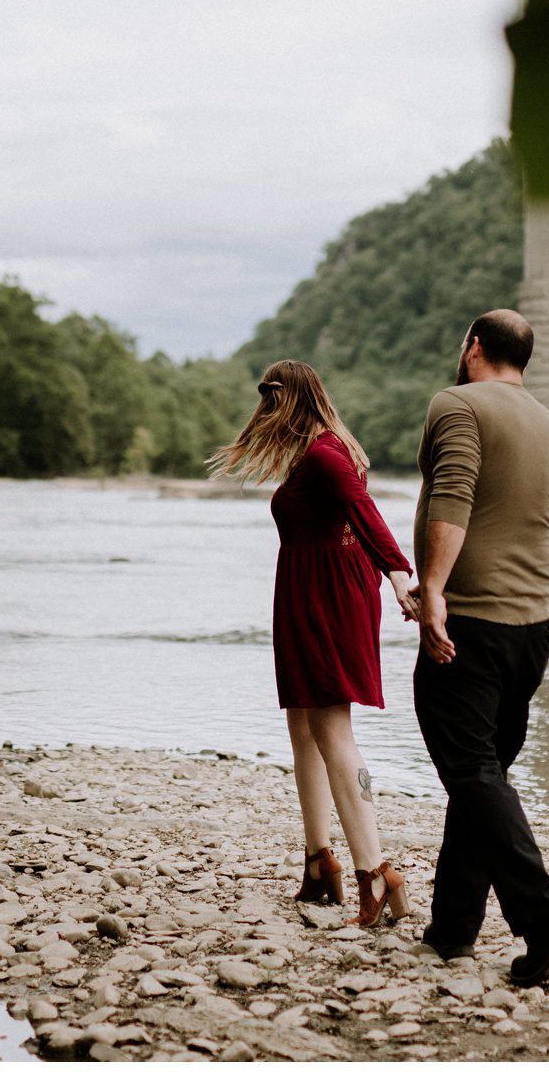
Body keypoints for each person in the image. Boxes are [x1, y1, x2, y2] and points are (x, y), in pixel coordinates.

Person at [409, 309, 549, 986]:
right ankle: (452, 931)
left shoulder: (456, 403)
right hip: (532, 625)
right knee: (482, 777)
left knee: (472, 773)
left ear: (474, 348)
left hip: (473, 622)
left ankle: (547, 920)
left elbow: (453, 497)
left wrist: (432, 591)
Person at [210, 359, 418, 927]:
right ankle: (318, 859)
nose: (265, 410)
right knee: (303, 724)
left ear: (294, 397)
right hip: (309, 591)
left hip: (328, 596)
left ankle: (374, 872)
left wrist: (400, 574)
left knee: (332, 728)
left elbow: (365, 512)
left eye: (272, 398)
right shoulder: (314, 451)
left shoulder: (326, 454)